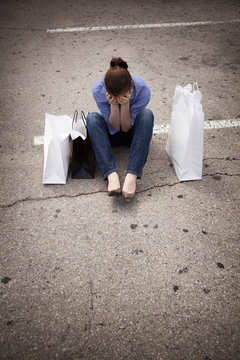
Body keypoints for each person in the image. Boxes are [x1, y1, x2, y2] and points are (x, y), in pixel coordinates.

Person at [86, 57, 154, 199]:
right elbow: (116, 127)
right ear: (105, 87)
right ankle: (111, 174)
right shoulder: (98, 90)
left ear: (130, 87)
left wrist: (125, 104)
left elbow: (126, 127)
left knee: (147, 115)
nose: (117, 98)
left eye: (121, 95)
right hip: (111, 133)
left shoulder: (142, 90)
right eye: (113, 96)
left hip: (132, 133)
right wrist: (113, 105)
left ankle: (132, 175)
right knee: (92, 118)